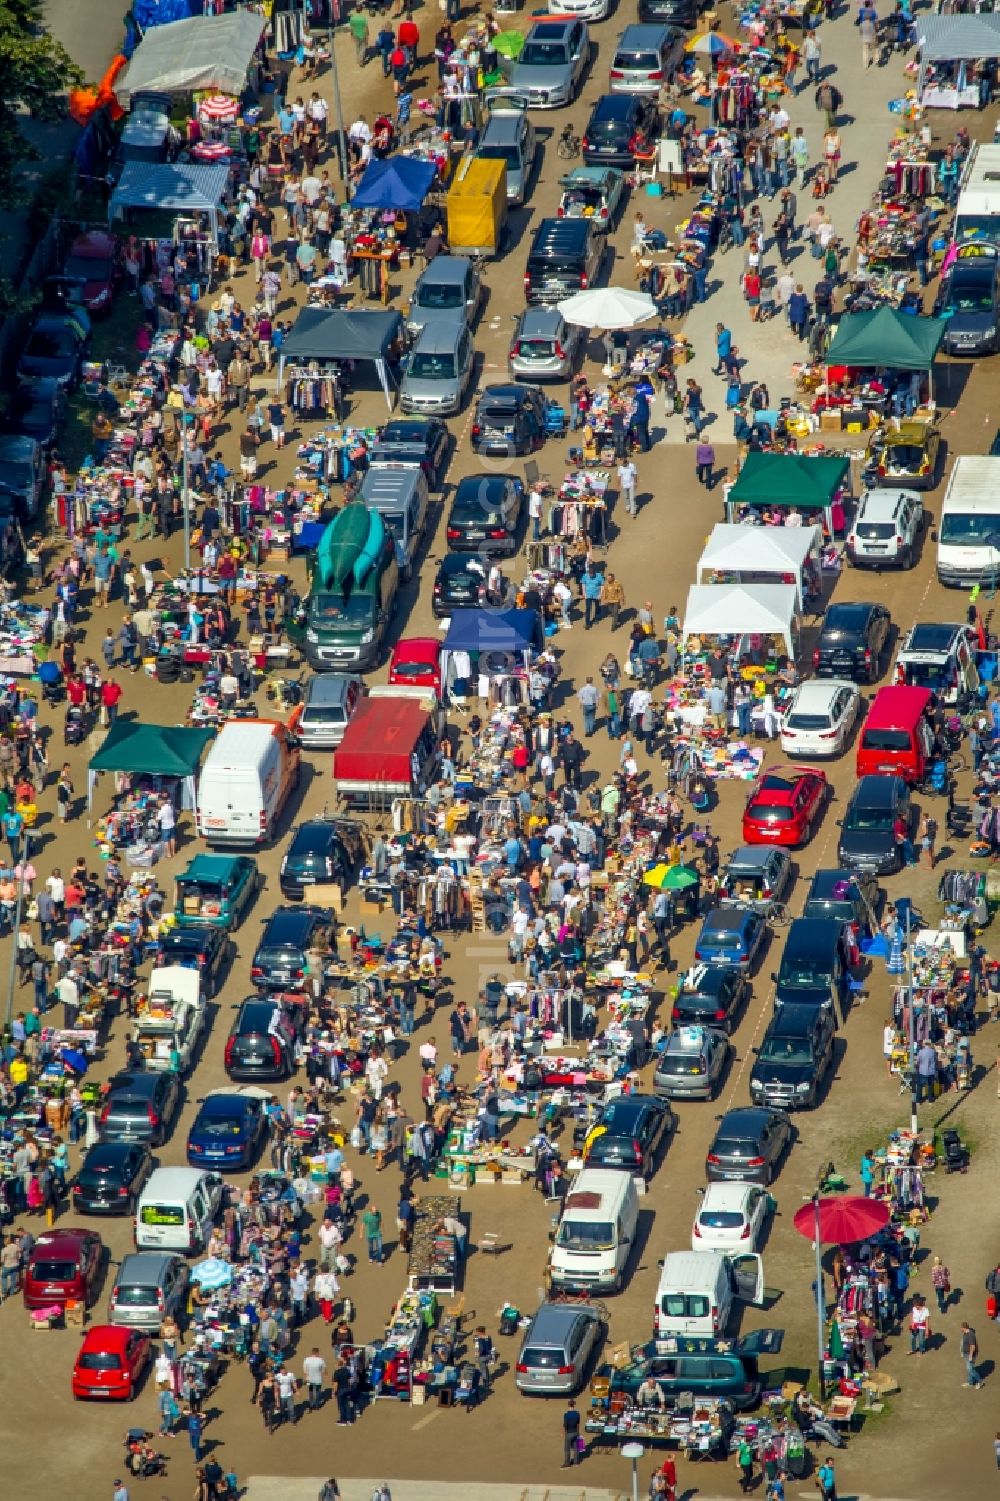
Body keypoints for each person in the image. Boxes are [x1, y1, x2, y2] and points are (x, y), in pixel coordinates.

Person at [961, 1321, 983, 1387]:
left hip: (970, 1354)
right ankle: (970, 1382)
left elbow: (972, 1346)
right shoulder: (965, 1333)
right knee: (969, 1368)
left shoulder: (971, 1335)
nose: (961, 1329)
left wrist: (970, 1356)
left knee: (970, 1369)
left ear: (964, 1327)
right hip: (966, 1354)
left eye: (961, 1328)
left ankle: (980, 1381)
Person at [561, 1398, 581, 1467]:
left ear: (568, 1405)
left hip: (569, 1433)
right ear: (574, 1405)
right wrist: (578, 1433)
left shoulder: (566, 1415)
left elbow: (565, 1425)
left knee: (567, 1449)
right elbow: (578, 1424)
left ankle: (567, 1463)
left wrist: (564, 1433)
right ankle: (576, 1462)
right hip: (576, 1432)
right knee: (576, 1448)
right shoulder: (577, 1414)